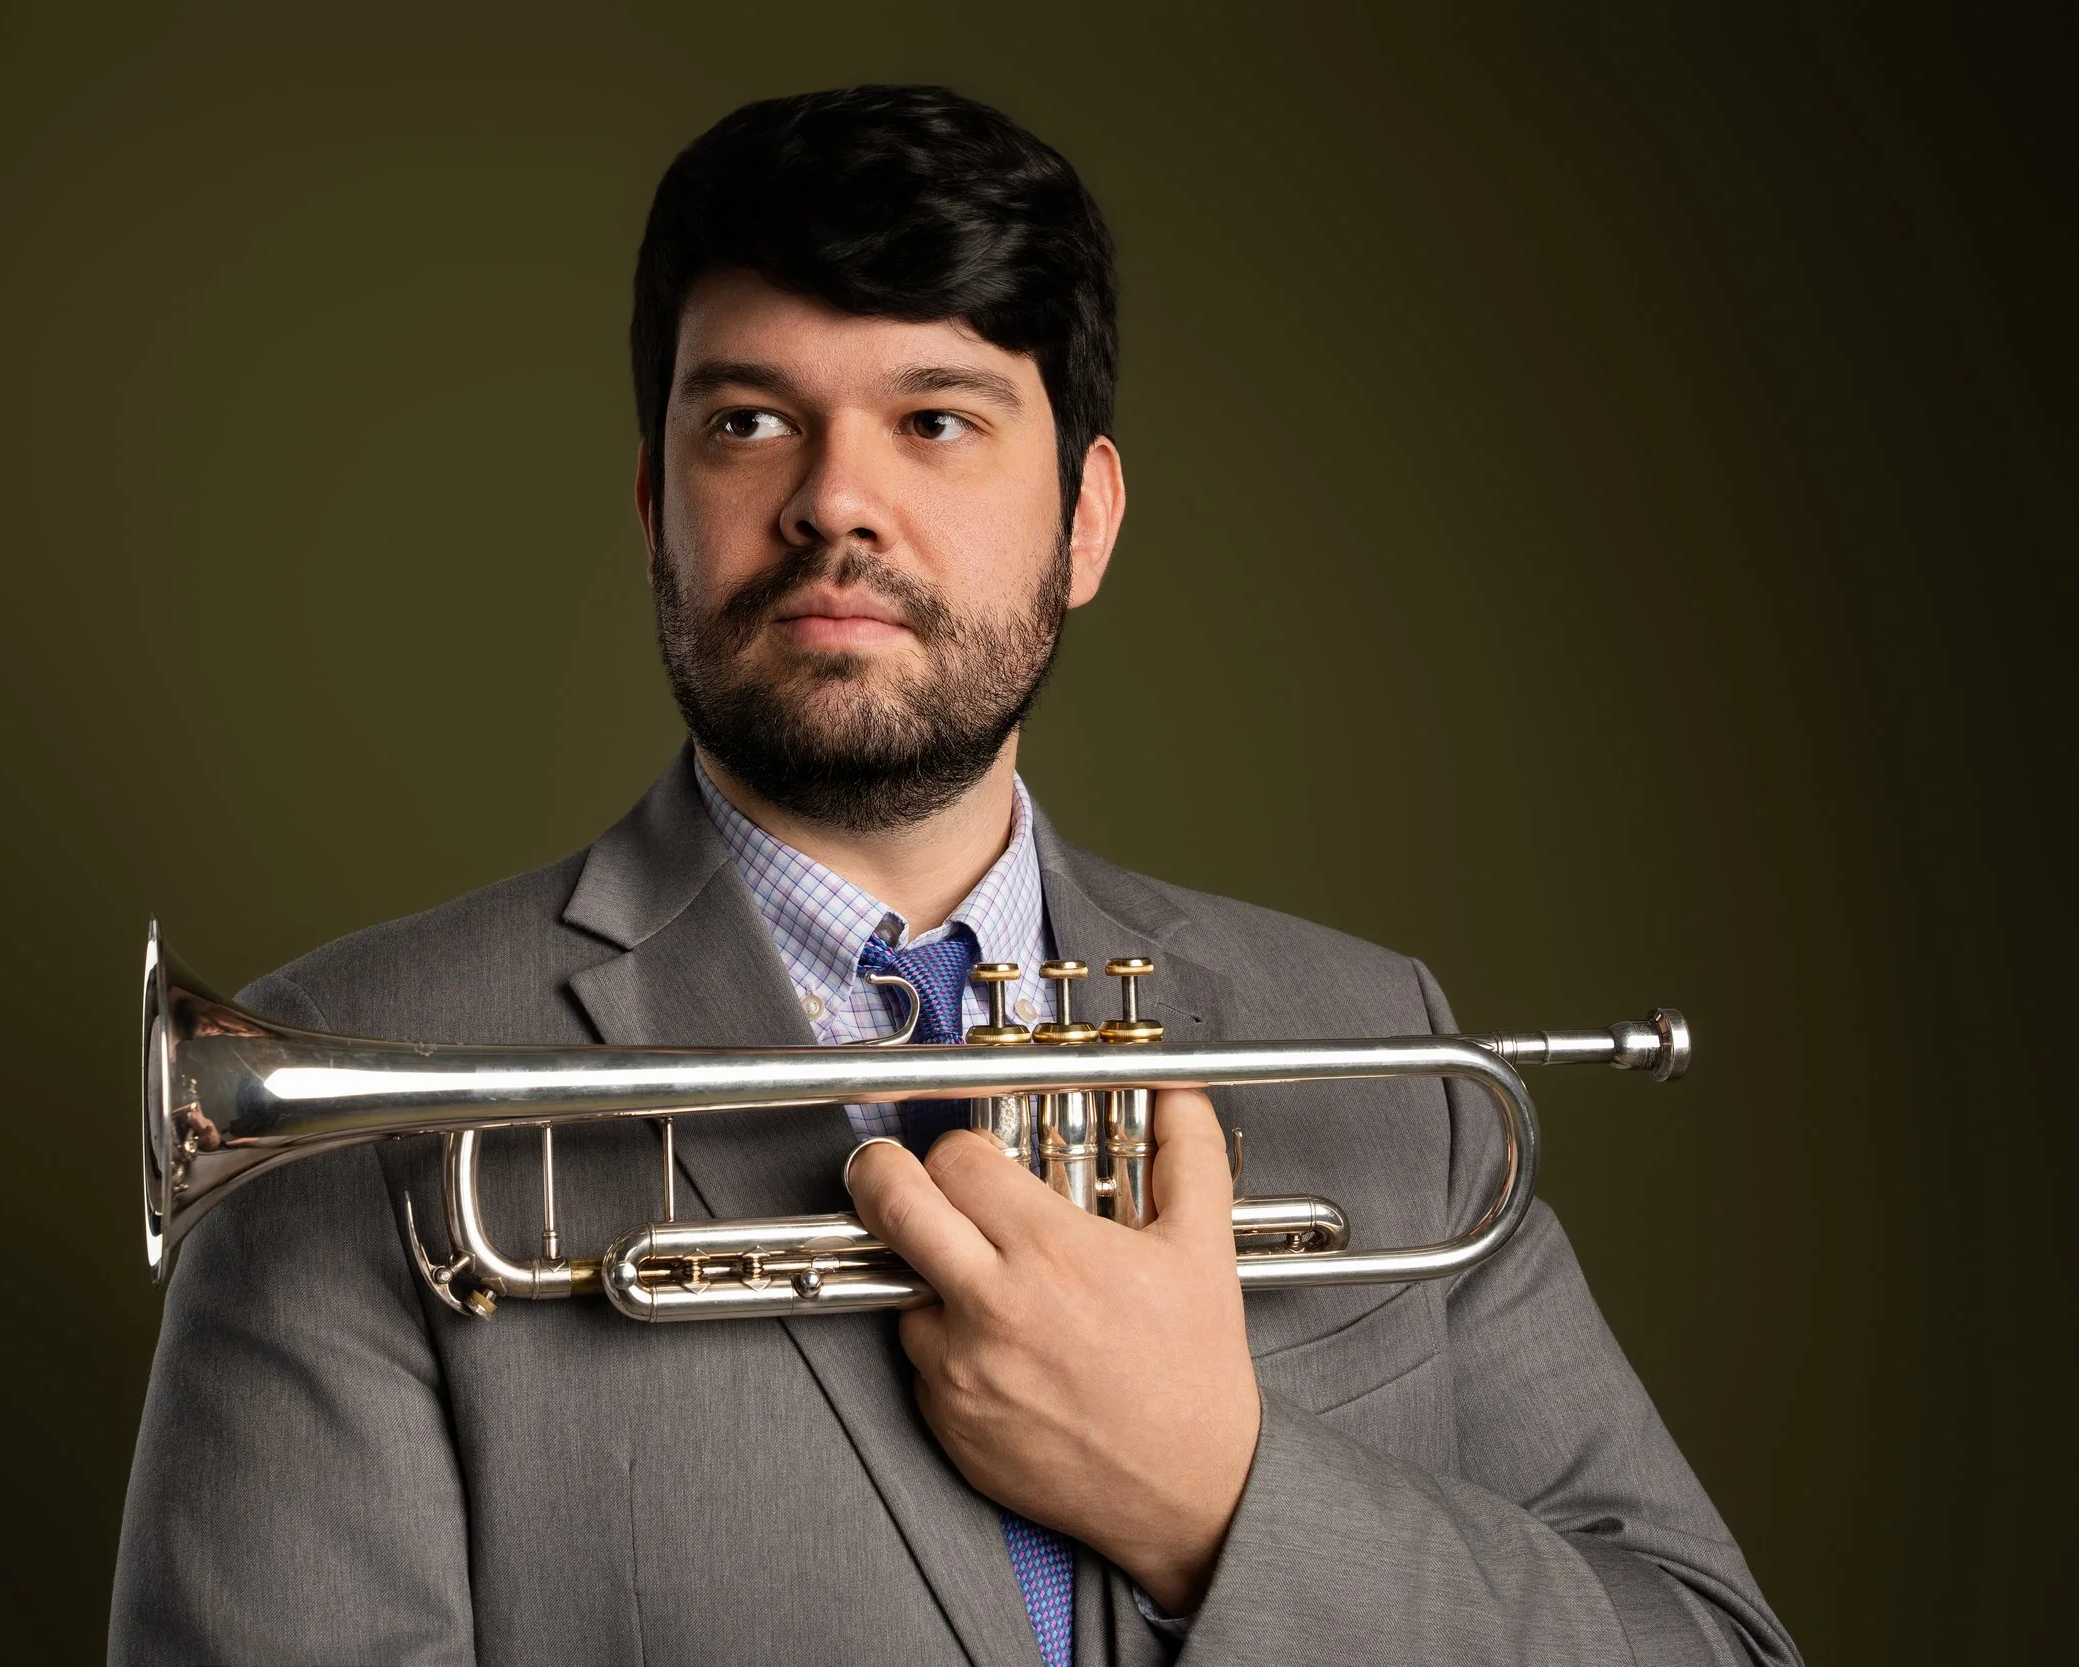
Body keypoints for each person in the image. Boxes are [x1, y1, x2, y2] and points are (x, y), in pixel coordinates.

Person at [109, 85, 1797, 1667]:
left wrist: (1214, 1499)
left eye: (938, 419)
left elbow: (1709, 1638)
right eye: (752, 421)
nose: (837, 499)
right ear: (654, 507)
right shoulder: (363, 1084)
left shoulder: (1387, 1050)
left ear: (1088, 519)